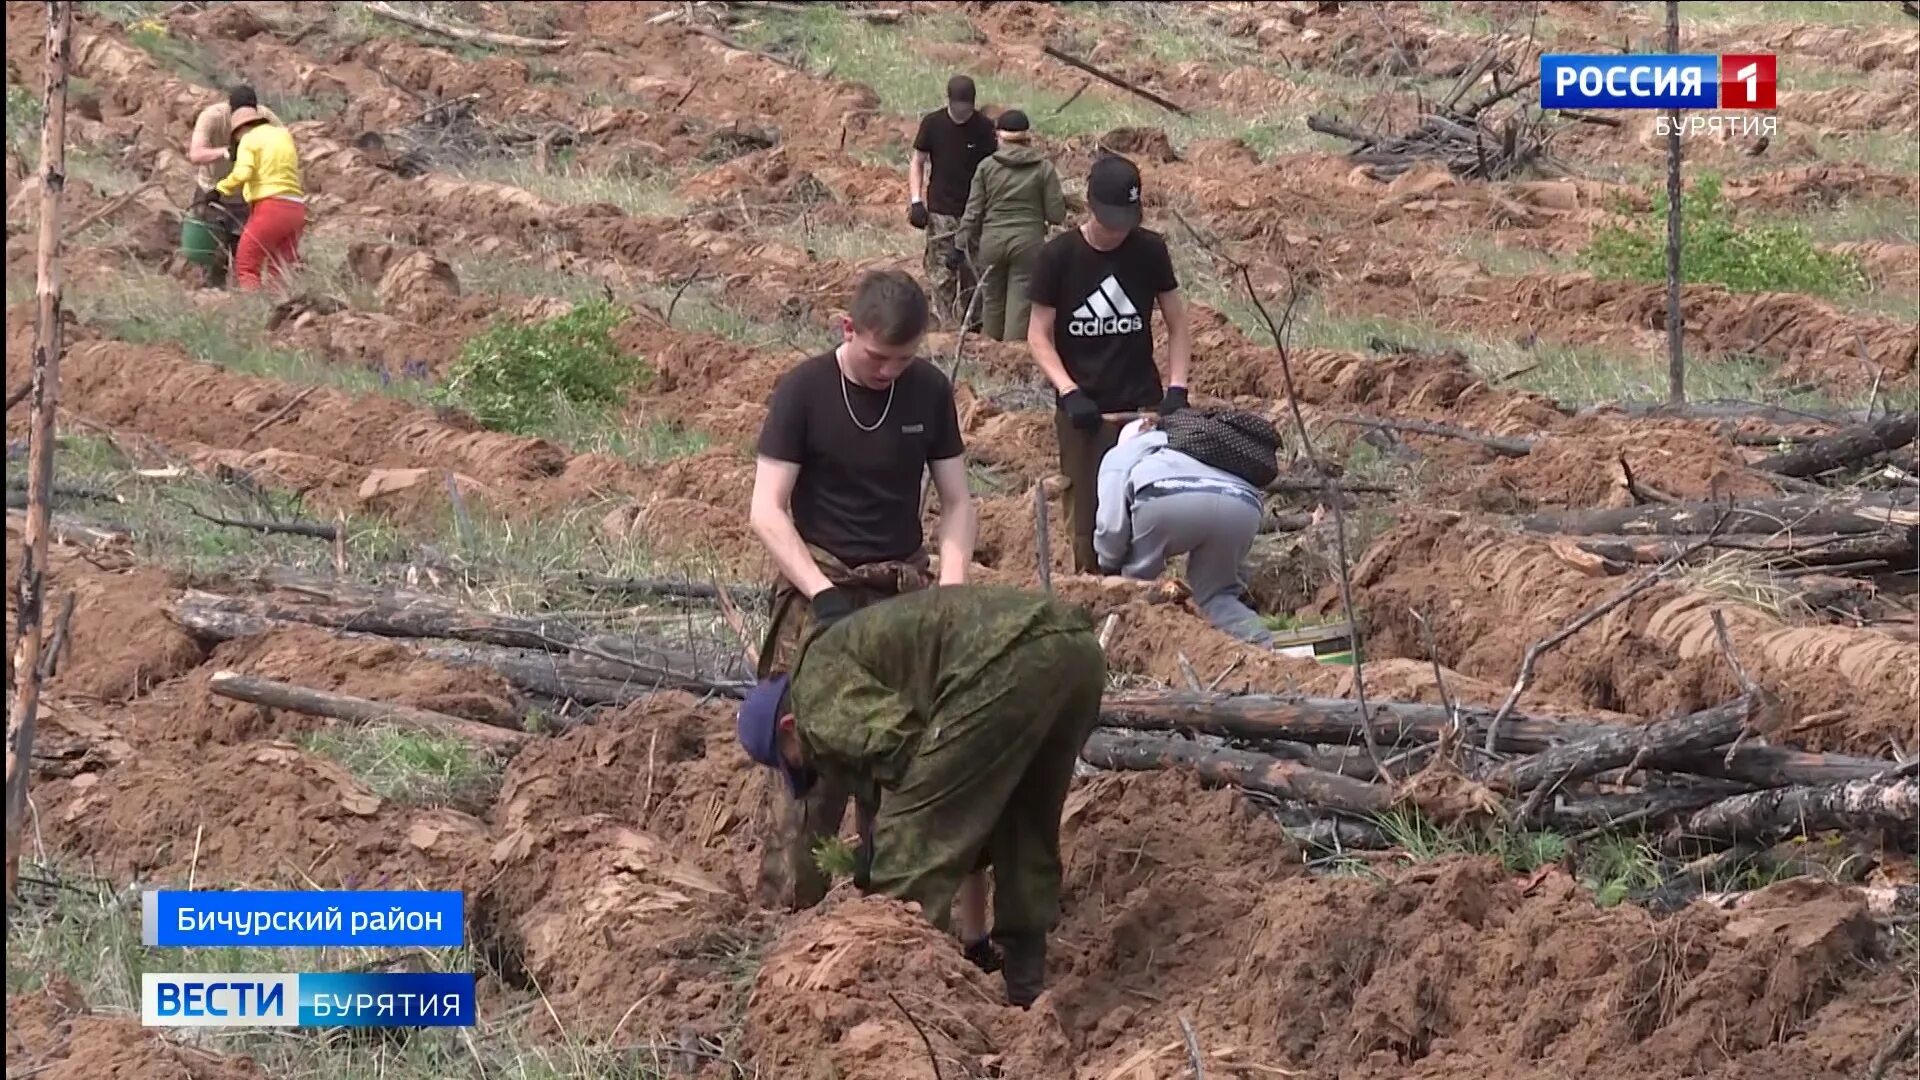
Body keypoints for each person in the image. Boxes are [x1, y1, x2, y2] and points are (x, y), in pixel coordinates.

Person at [749, 269, 991, 958]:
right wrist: (819, 593)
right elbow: (767, 509)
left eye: (903, 359)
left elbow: (958, 502)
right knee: (811, 771)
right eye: (877, 356)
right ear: (846, 329)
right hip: (819, 583)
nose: (888, 371)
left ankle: (907, 938)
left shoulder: (929, 393)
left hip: (901, 590)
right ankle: (790, 928)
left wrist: (950, 582)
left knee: (908, 760)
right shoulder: (804, 390)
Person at [735, 584, 1105, 1007]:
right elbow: (918, 764)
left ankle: (892, 1007)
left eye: (794, 761)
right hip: (1076, 652)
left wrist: (884, 860)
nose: (809, 770)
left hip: (1004, 661)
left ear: (788, 726)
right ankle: (1026, 988)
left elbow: (906, 753)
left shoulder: (814, 694)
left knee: (906, 852)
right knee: (1023, 825)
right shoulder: (845, 657)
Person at [1027, 154, 1193, 574]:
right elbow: (1038, 335)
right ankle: (1092, 583)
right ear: (1089, 206)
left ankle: (1143, 591)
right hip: (1084, 410)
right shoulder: (1058, 256)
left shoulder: (1150, 250)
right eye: (1110, 221)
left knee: (1144, 506)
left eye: (1126, 221)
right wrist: (1069, 390)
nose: (1118, 232)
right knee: (1087, 512)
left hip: (1141, 405)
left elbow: (1177, 322)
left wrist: (1177, 388)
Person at [1094, 416, 1275, 646]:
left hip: (1165, 497)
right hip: (1242, 504)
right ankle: (1265, 649)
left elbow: (1111, 525)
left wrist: (1110, 563)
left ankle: (1135, 650)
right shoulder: (1190, 440)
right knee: (1217, 595)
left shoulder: (1123, 453)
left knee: (1136, 588)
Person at [960, 109, 1065, 344]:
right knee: (1020, 303)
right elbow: (1056, 214)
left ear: (999, 137)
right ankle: (1011, 355)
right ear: (1028, 138)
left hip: (992, 241)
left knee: (992, 300)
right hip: (1028, 243)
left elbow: (973, 211)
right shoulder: (1043, 168)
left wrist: (959, 244)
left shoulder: (986, 167)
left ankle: (990, 352)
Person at [909, 75, 997, 329]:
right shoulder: (933, 124)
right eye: (958, 107)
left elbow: (993, 168)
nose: (962, 113)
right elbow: (918, 161)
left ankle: (973, 328)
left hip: (975, 212)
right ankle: (946, 326)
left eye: (967, 108)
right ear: (949, 101)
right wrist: (916, 201)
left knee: (973, 272)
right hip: (941, 211)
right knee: (941, 273)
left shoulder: (983, 128)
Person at [185, 86, 280, 288]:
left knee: (243, 256)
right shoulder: (212, 117)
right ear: (230, 112)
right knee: (210, 257)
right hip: (212, 193)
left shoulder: (268, 119)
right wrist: (226, 152)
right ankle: (210, 294)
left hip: (247, 197)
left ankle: (240, 301)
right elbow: (196, 154)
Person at [208, 106, 305, 292]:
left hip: (271, 208)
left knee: (246, 265)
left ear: (239, 130)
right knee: (279, 270)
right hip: (296, 208)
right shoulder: (283, 135)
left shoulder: (249, 139)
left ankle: (254, 311)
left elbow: (243, 172)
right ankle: (281, 310)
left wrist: (219, 189)